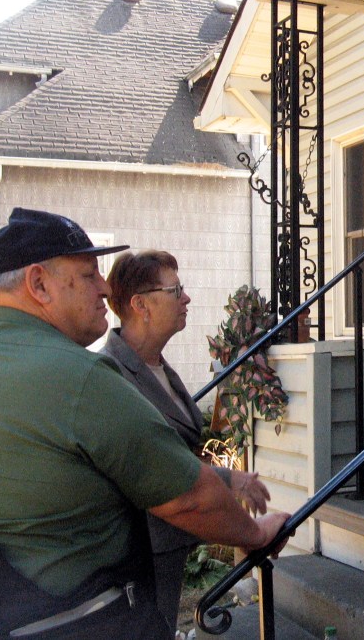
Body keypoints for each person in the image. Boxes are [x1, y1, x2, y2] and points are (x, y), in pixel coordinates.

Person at [0, 208, 291, 638]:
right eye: (88, 275)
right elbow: (189, 498)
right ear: (39, 284)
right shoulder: (79, 377)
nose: (105, 288)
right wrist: (255, 533)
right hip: (74, 622)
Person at [100, 250, 271, 635]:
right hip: (136, 556)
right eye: (175, 290)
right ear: (140, 305)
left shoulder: (156, 367)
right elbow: (153, 463)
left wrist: (230, 483)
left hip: (166, 547)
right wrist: (232, 489)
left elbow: (174, 453)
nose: (186, 298)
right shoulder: (112, 374)